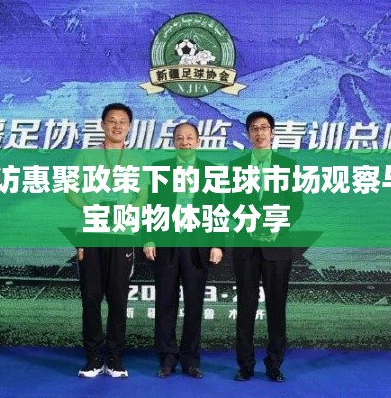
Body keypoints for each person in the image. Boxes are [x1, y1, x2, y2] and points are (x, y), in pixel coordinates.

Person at [67, 103, 148, 378]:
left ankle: (114, 358)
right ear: (102, 125)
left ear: (129, 127)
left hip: (122, 233)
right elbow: (70, 191)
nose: (117, 126)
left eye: (122, 121)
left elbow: (143, 196)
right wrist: (91, 210)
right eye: (112, 121)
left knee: (118, 298)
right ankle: (92, 358)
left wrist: (126, 211)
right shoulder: (87, 155)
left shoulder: (136, 159)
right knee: (90, 298)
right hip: (91, 232)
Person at [225, 111, 303, 382]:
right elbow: (231, 203)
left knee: (276, 307)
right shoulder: (236, 166)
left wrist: (275, 226)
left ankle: (274, 363)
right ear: (248, 134)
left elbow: (295, 204)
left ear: (272, 132)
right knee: (246, 306)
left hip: (277, 246)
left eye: (264, 128)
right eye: (254, 129)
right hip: (246, 246)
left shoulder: (287, 166)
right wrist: (251, 226)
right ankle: (245, 364)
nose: (259, 133)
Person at [142, 122, 223, 379]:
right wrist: (148, 238)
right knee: (165, 303)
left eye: (189, 137)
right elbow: (149, 206)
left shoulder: (210, 171)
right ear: (173, 142)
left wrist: (217, 243)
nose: (184, 142)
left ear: (198, 141)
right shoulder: (160, 169)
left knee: (194, 304)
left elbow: (217, 209)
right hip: (166, 244)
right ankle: (167, 358)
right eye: (179, 138)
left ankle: (190, 359)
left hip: (197, 245)